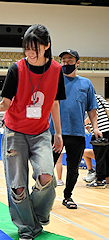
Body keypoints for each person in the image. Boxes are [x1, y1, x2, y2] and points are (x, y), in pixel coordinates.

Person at [0, 24, 65, 240]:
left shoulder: (56, 70)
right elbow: (5, 103)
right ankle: (28, 229)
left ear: (46, 46)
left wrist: (58, 133)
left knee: (46, 176)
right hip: (14, 132)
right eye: (26, 48)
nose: (29, 53)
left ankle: (37, 217)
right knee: (17, 187)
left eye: (34, 48)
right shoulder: (16, 69)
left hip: (41, 133)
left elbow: (54, 102)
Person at [49, 49, 101, 209]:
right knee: (46, 166)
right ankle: (43, 197)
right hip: (54, 133)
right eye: (63, 60)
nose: (66, 63)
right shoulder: (54, 81)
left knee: (73, 168)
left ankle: (68, 196)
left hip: (77, 134)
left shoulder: (86, 84)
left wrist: (96, 128)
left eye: (69, 60)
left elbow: (92, 109)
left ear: (77, 63)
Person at [84, 93, 109, 188]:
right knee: (106, 157)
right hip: (107, 130)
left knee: (100, 157)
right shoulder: (100, 98)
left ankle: (99, 180)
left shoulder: (92, 99)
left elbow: (94, 114)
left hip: (100, 132)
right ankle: (106, 179)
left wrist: (83, 124)